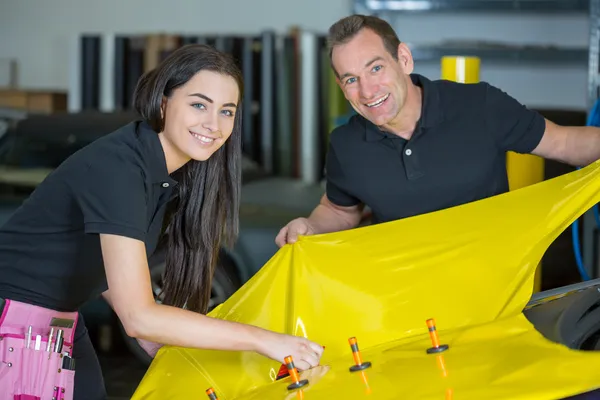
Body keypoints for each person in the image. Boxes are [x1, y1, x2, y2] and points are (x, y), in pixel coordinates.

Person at [0, 44, 323, 399]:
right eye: (199, 104)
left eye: (226, 111)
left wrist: (156, 338)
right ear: (164, 102)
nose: (213, 125)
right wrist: (265, 340)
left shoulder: (161, 174)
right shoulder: (121, 168)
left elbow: (106, 268)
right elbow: (138, 315)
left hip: (60, 320)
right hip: (15, 322)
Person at [275, 14, 600, 247]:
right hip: (403, 300)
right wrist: (310, 226)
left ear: (403, 59)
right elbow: (339, 211)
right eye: (351, 79)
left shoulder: (480, 105)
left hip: (493, 289)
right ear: (341, 86)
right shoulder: (345, 144)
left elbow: (565, 143)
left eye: (376, 68)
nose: (368, 90)